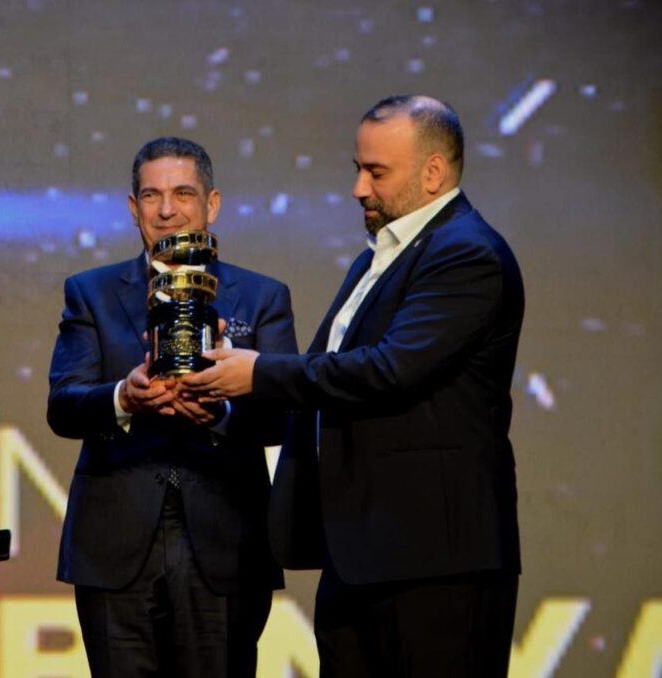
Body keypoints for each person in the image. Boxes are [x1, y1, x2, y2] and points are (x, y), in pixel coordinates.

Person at [183, 96, 524, 677]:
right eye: (357, 169)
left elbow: (388, 370)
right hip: (363, 556)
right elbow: (338, 368)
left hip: (435, 563)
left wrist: (258, 372)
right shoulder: (383, 256)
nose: (358, 188)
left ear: (433, 172)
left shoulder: (467, 254)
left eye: (376, 172)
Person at [47, 137, 298, 677]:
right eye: (151, 195)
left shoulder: (262, 297)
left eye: (183, 193)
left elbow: (283, 417)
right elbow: (63, 406)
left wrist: (223, 410)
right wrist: (123, 397)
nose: (167, 210)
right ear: (133, 207)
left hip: (225, 542)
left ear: (212, 204)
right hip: (116, 544)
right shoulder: (90, 292)